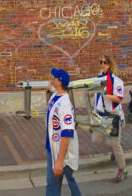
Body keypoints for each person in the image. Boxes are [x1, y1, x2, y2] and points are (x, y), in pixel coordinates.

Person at [45, 68, 81, 196]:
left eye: (54, 78)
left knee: (54, 185)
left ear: (59, 82)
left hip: (61, 151)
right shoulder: (56, 95)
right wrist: (48, 90)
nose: (52, 79)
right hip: (53, 148)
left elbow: (67, 133)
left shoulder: (64, 104)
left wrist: (59, 161)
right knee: (62, 182)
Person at [93, 55, 126, 183]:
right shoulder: (98, 78)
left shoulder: (116, 80)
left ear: (109, 64)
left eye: (105, 62)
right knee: (96, 139)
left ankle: (122, 169)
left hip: (113, 116)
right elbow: (96, 97)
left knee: (117, 145)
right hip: (100, 115)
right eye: (100, 62)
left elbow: (119, 98)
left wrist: (111, 97)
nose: (102, 64)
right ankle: (113, 149)